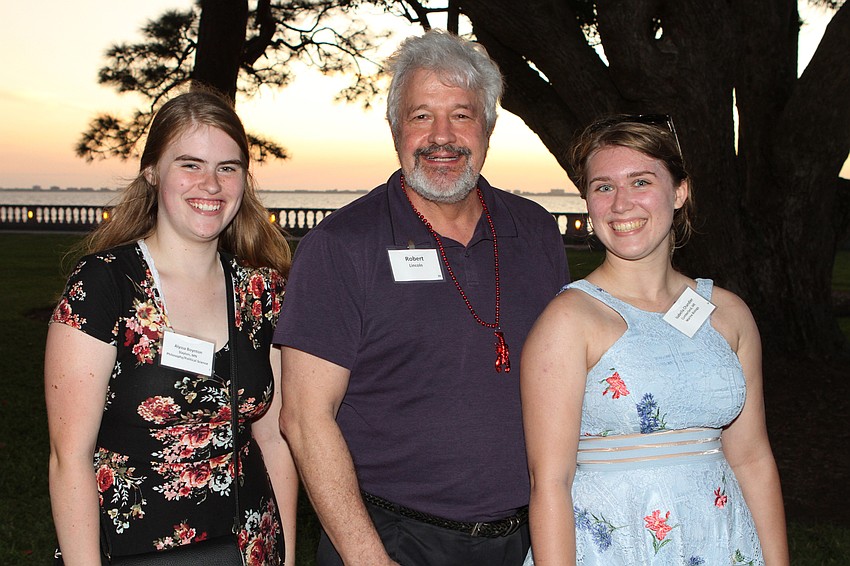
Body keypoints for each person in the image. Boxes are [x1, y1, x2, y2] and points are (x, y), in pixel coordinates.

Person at [274, 30, 569, 566]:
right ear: (394, 130)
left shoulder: (536, 233)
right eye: (420, 116)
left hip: (532, 538)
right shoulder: (341, 247)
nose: (442, 137)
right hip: (393, 540)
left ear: (487, 128)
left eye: (461, 115)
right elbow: (304, 416)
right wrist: (368, 558)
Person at [521, 114, 790, 565]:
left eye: (640, 181)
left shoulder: (729, 315)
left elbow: (752, 459)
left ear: (680, 191)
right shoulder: (569, 321)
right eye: (603, 187)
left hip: (721, 540)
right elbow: (550, 482)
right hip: (614, 546)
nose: (621, 204)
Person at [45, 89, 297, 565]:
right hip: (132, 550)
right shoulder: (106, 284)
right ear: (152, 173)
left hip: (248, 550)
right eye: (190, 164)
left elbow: (275, 439)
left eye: (228, 167)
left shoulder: (262, 290)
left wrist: (284, 558)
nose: (211, 183)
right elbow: (69, 458)